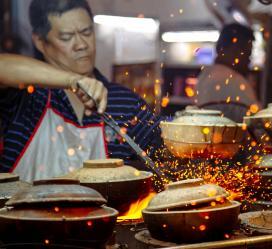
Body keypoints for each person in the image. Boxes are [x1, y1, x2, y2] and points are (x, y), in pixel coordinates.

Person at [0, 0, 162, 182]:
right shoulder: (26, 95)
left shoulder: (127, 105)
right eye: (66, 37)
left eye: (87, 32)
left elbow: (161, 168)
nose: (81, 45)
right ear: (40, 42)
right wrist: (72, 81)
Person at [195, 23, 260, 122]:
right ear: (234, 50)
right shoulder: (234, 81)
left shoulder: (204, 76)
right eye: (247, 54)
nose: (249, 61)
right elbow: (258, 122)